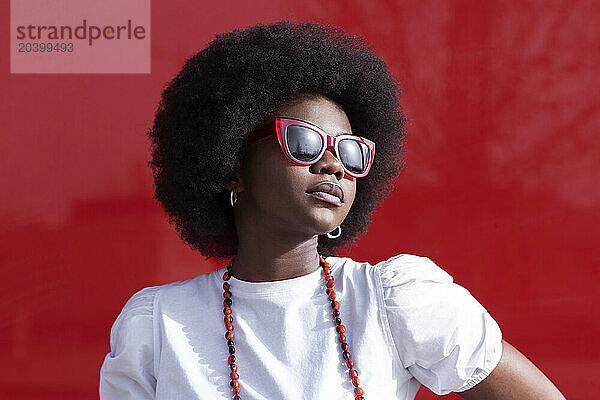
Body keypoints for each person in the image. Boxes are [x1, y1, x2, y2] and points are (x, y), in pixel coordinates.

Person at [99, 21, 566, 399]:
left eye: (351, 151)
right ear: (232, 168)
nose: (333, 164)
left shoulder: (394, 302)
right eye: (304, 142)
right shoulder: (159, 326)